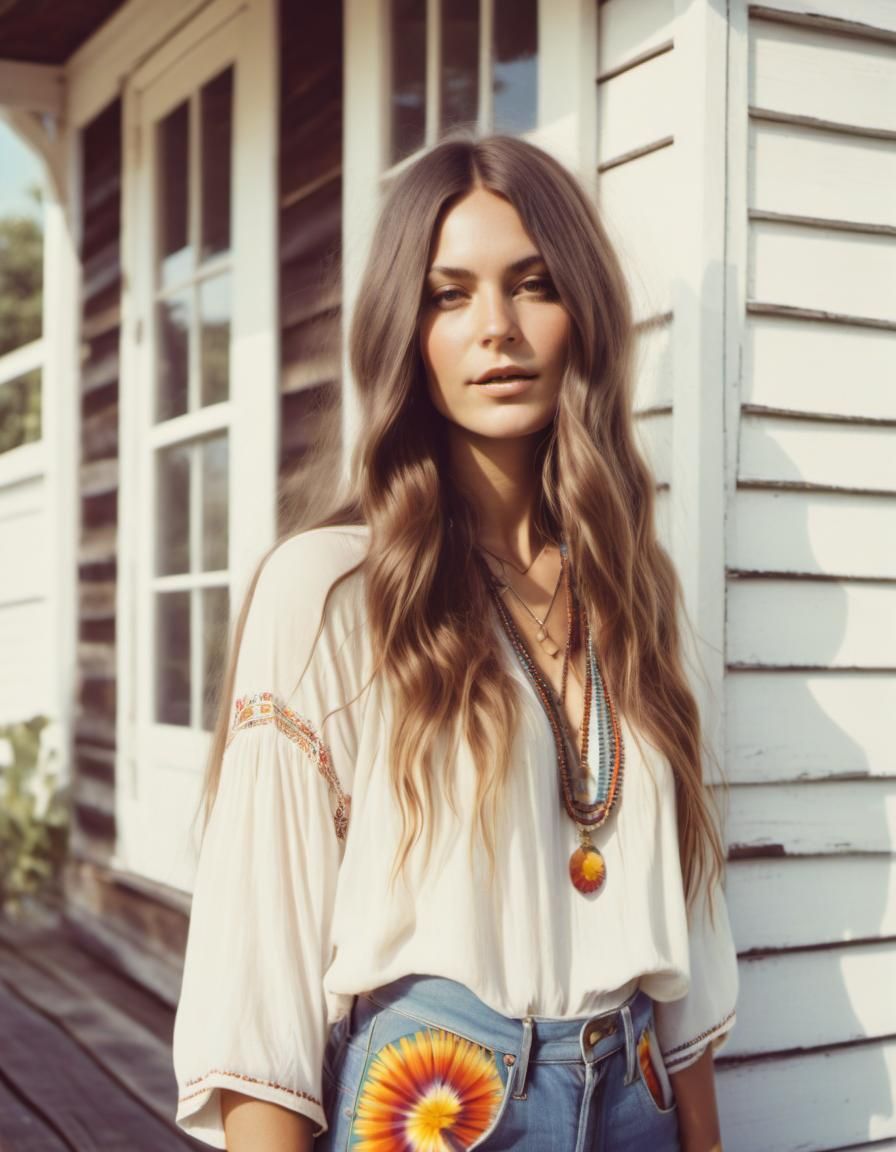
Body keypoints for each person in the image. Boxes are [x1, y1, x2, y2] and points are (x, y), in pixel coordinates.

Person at [172, 132, 738, 1152]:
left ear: (582, 319)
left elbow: (683, 944)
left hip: (638, 1094)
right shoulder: (333, 591)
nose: (497, 329)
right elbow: (260, 972)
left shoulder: (633, 589)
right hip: (437, 1104)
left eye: (532, 286)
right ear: (405, 328)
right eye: (449, 295)